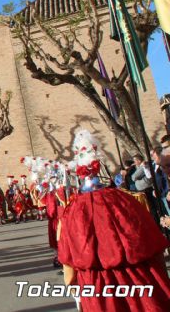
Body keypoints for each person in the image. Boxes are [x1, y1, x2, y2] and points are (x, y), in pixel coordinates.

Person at [58, 130, 170, 311]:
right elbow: (152, 242)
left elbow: (68, 258)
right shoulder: (126, 199)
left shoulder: (73, 211)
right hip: (140, 278)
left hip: (98, 287)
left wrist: (73, 286)